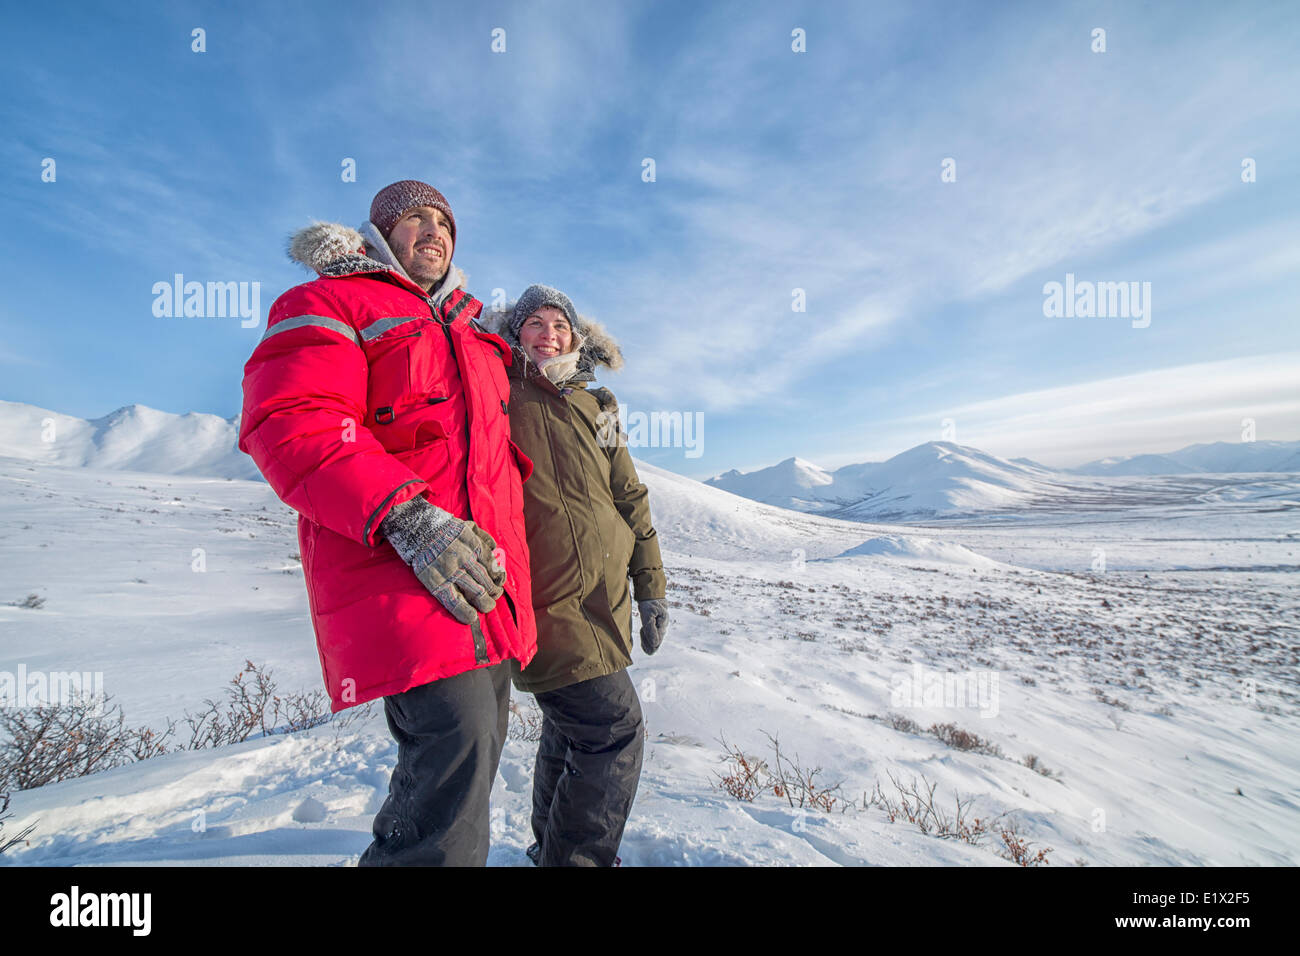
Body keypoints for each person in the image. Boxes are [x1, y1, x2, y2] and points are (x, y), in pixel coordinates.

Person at [238, 180, 538, 866]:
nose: (432, 231)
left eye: (443, 222)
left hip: (482, 579)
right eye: (415, 219)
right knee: (455, 742)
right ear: (379, 233)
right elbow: (293, 421)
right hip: (399, 565)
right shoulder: (326, 301)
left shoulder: (472, 332)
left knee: (478, 749)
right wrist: (408, 517)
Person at [488, 284, 670, 867]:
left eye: (560, 325)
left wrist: (651, 588)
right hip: (543, 598)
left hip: (604, 599)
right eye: (534, 323)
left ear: (576, 336)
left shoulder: (598, 406)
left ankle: (551, 846)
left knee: (571, 732)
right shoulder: (497, 391)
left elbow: (629, 498)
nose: (549, 334)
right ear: (515, 332)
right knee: (614, 728)